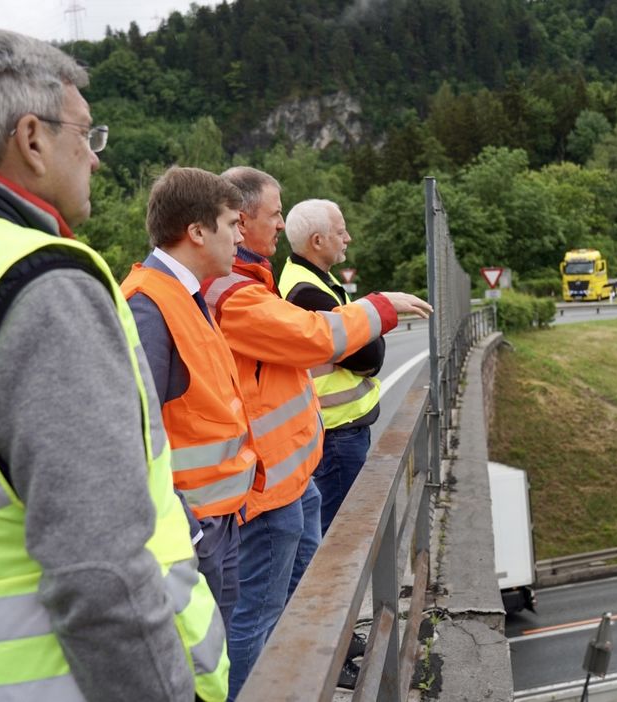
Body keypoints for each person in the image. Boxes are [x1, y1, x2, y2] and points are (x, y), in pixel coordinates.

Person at [0, 29, 228, 701]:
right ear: (31, 139)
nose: (95, 159)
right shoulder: (40, 287)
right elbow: (100, 576)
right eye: (87, 135)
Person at [203, 166, 432, 698]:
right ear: (238, 221)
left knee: (300, 586)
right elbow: (324, 341)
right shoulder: (237, 292)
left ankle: (311, 667)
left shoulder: (257, 281)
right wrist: (377, 307)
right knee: (259, 614)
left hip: (292, 473)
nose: (278, 225)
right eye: (273, 214)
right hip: (266, 486)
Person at [121, 166, 259, 636]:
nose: (239, 238)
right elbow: (128, 434)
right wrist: (191, 531)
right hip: (193, 534)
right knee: (196, 665)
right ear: (197, 231)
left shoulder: (184, 295)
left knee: (214, 660)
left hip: (217, 524)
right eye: (232, 224)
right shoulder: (148, 302)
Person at [278, 199, 383, 535]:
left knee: (339, 533)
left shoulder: (317, 282)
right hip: (337, 433)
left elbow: (365, 343)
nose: (348, 238)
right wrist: (372, 324)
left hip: (340, 430)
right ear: (318, 241)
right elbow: (369, 357)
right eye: (341, 232)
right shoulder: (307, 292)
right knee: (343, 538)